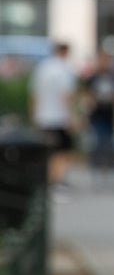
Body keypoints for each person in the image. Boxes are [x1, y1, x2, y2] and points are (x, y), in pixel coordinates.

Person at [28, 41, 77, 192]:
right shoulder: (64, 69)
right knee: (62, 151)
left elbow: (34, 94)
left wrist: (34, 115)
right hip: (59, 117)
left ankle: (47, 181)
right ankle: (56, 182)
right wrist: (72, 116)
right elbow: (66, 95)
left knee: (47, 151)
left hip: (43, 116)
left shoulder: (42, 68)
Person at [81, 49, 114, 186]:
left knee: (110, 144)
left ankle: (111, 172)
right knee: (97, 143)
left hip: (109, 115)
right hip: (97, 115)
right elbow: (86, 95)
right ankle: (97, 171)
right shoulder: (93, 78)